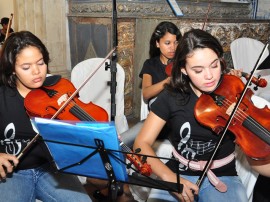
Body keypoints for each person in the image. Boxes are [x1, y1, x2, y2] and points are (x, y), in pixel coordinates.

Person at [133, 28, 270, 202]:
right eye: (198, 70)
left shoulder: (233, 90)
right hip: (178, 171)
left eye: (214, 65)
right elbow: (141, 143)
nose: (210, 76)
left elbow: (257, 161)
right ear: (183, 69)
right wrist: (170, 179)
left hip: (223, 176)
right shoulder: (172, 97)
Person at [0, 31, 92, 201]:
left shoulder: (57, 92)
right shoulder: (3, 97)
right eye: (26, 67)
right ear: (12, 69)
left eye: (41, 63)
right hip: (13, 174)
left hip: (50, 169)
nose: (37, 72)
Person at [121, 21, 182, 147]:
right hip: (156, 120)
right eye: (167, 43)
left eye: (176, 42)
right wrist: (167, 82)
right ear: (157, 43)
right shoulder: (150, 64)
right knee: (121, 142)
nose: (173, 47)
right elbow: (146, 93)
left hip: (177, 120)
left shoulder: (182, 63)